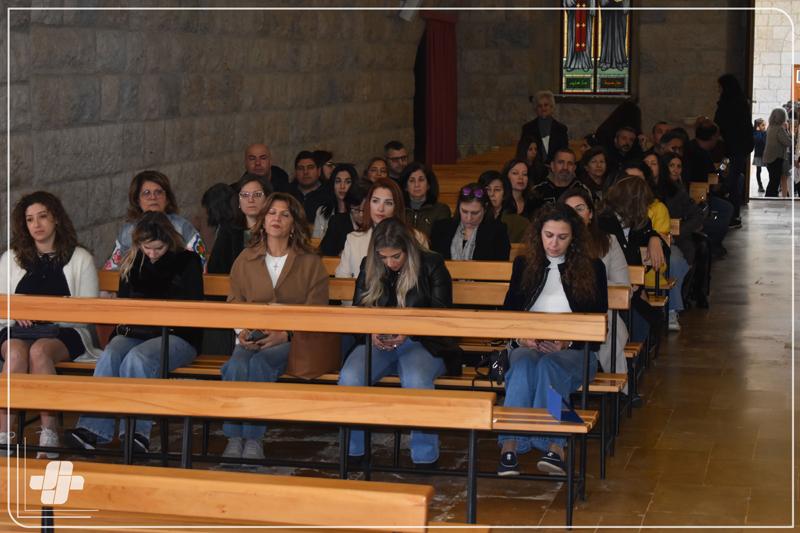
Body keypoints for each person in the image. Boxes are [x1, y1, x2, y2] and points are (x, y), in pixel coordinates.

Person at [67, 212, 204, 453]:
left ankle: (135, 433)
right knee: (110, 354)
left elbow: (192, 307)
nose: (152, 254)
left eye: (158, 248)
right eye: (146, 248)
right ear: (138, 243)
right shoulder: (132, 261)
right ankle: (93, 428)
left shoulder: (187, 261)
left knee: (138, 359)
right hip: (136, 331)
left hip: (178, 335)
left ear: (170, 241)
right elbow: (126, 305)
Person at [497, 205, 607, 476]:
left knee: (550, 367)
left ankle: (555, 445)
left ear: (574, 238)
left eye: (562, 237)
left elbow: (598, 321)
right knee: (523, 366)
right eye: (548, 235)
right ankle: (511, 444)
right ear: (539, 234)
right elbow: (509, 313)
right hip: (529, 346)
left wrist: (567, 343)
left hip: (576, 351)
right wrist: (522, 337)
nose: (554, 243)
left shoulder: (593, 268)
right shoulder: (524, 265)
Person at [338, 218, 457, 465]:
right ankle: (353, 451)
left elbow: (442, 313)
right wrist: (370, 332)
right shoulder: (368, 264)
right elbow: (359, 311)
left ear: (408, 249)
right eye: (382, 257)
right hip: (377, 342)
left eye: (396, 256)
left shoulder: (431, 263)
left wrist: (410, 332)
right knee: (349, 377)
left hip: (423, 342)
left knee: (416, 380)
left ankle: (425, 456)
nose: (389, 263)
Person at [220, 193, 328, 460]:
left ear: (294, 223)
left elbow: (317, 311)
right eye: (271, 213)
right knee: (235, 366)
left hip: (296, 341)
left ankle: (253, 440)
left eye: (284, 214)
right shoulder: (246, 258)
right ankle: (234, 438)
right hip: (252, 336)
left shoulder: (310, 262)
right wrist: (242, 332)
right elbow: (234, 301)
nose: (276, 219)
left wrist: (285, 334)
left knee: (260, 364)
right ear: (263, 220)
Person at [0, 191, 100, 458]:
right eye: (30, 219)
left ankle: (49, 432)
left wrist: (48, 314)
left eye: (42, 216)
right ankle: (4, 435)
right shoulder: (10, 258)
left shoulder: (80, 258)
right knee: (15, 353)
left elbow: (88, 311)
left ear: (55, 218)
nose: (37, 224)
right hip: (17, 329)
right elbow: (1, 305)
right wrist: (17, 310)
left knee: (40, 351)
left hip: (65, 331)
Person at [558, 188, 629, 379]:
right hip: (560, 313)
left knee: (604, 327)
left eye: (580, 208)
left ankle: (618, 388)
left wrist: (588, 286)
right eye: (568, 210)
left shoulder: (608, 242)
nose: (574, 214)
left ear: (590, 214)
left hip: (599, 311)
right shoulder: (553, 243)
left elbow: (623, 286)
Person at [598, 177, 667, 345]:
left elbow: (664, 250)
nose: (646, 209)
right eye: (644, 204)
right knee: (641, 320)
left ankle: (637, 356)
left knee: (653, 318)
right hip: (610, 288)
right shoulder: (603, 222)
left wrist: (654, 238)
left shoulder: (641, 223)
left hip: (632, 290)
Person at [104, 170, 206, 270]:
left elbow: (199, 265)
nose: (153, 197)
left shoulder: (182, 227)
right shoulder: (128, 230)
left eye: (159, 192)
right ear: (137, 200)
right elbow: (111, 270)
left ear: (167, 199)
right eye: (146, 193)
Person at [336, 178, 418, 279]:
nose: (380, 208)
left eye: (388, 203)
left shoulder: (415, 238)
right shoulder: (354, 239)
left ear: (397, 207)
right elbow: (342, 280)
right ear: (368, 204)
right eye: (375, 201)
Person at [207, 174, 272, 275]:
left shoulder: (276, 228)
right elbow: (215, 269)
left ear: (267, 199)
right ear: (238, 201)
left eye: (257, 195)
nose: (251, 200)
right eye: (245, 195)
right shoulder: (228, 229)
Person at [430, 183, 510, 261]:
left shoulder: (498, 231)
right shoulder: (441, 228)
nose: (469, 218)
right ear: (459, 207)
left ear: (485, 208)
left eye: (475, 213)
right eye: (464, 211)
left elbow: (500, 266)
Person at [714, 74, 753, 215]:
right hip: (736, 149)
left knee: (730, 179)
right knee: (732, 177)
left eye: (720, 87)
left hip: (732, 150)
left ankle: (731, 213)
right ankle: (733, 213)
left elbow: (721, 124)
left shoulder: (729, 104)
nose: (719, 90)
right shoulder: (740, 103)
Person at [517, 90, 569, 164]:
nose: (543, 108)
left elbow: (564, 152)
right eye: (539, 106)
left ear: (552, 107)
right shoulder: (528, 128)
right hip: (534, 167)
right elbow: (523, 151)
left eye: (546, 105)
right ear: (535, 109)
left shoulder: (561, 129)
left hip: (555, 167)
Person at [401, 162, 451, 238]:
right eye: (412, 181)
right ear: (406, 187)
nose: (417, 185)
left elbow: (441, 239)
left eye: (421, 180)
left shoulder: (441, 210)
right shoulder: (399, 209)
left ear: (428, 185)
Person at [478, 170, 530, 243]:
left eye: (497, 190)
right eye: (487, 189)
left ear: (504, 194)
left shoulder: (520, 223)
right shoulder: (470, 219)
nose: (491, 194)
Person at [319, 180, 369, 257]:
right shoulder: (337, 223)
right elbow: (324, 254)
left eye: (365, 210)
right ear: (349, 206)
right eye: (356, 209)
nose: (361, 214)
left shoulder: (378, 224)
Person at [313, 163, 357, 239]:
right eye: (338, 181)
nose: (342, 186)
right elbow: (316, 240)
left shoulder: (358, 212)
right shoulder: (322, 211)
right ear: (332, 184)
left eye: (347, 182)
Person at [289, 151, 331, 223]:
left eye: (310, 167)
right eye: (301, 168)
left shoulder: (329, 195)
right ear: (295, 172)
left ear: (319, 171)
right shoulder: (287, 193)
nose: (305, 172)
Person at [764, 107, 792, 198]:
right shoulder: (779, 129)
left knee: (772, 180)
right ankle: (770, 197)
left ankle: (769, 197)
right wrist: (788, 132)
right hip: (776, 158)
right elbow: (788, 142)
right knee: (774, 182)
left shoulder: (770, 127)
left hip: (769, 157)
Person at [752, 118, 767, 193]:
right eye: (763, 125)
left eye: (765, 125)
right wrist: (758, 131)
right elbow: (759, 140)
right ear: (758, 126)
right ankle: (760, 186)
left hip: (766, 155)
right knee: (759, 171)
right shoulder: (756, 133)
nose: (764, 127)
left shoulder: (765, 133)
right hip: (758, 155)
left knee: (770, 170)